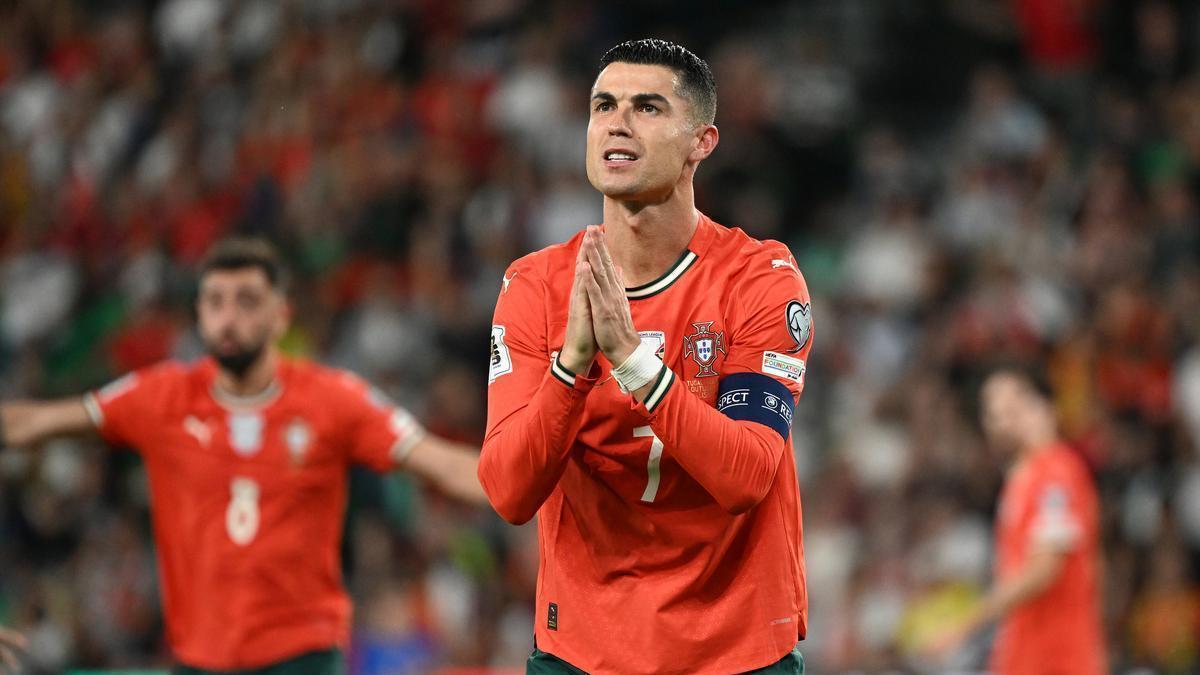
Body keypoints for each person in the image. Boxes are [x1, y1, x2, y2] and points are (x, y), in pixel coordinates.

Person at [478, 39, 813, 674]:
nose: (617, 122)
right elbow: (507, 492)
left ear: (702, 142)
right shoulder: (535, 286)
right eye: (603, 105)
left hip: (736, 651)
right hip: (583, 651)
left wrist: (633, 362)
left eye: (648, 107)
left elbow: (746, 477)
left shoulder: (760, 279)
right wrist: (569, 365)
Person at [0, 238, 487, 674]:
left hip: (303, 659)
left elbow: (439, 462)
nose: (229, 317)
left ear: (281, 315)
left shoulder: (333, 400)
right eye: (215, 302)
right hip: (199, 661)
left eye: (247, 301)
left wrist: (533, 480)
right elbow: (28, 423)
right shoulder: (162, 396)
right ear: (198, 314)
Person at [931, 368, 1106, 674]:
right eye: (993, 413)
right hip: (1025, 655)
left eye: (1013, 408)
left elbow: (1044, 568)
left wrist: (967, 623)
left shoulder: (1055, 474)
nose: (1004, 421)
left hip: (1056, 659)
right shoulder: (1023, 480)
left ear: (1042, 407)